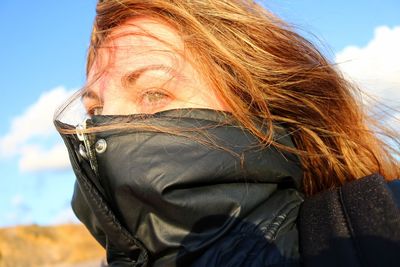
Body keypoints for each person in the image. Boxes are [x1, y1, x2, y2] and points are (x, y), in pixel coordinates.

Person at [54, 0, 400, 266]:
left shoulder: (377, 230)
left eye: (154, 94)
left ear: (256, 104)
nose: (104, 128)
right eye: (95, 111)